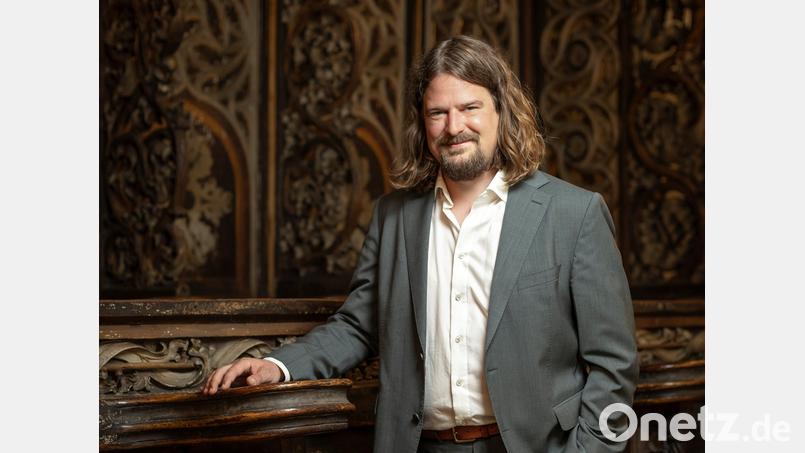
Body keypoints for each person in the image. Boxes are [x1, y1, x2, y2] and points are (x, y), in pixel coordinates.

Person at [204, 35, 638, 453]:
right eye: (438, 113)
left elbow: (613, 367)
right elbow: (360, 325)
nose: (454, 127)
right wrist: (278, 367)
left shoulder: (573, 214)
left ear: (502, 111)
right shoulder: (394, 216)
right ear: (422, 121)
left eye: (470, 107)